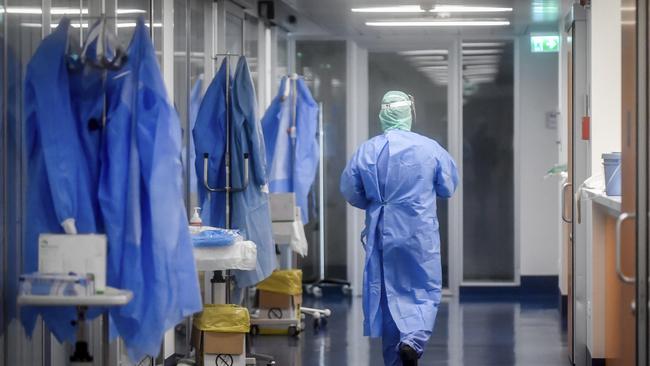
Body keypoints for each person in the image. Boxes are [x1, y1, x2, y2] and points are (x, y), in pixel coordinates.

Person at [340, 91, 458, 366]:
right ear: (409, 114)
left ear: (382, 114)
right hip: (419, 234)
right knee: (424, 289)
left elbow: (350, 190)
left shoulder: (367, 150)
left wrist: (378, 202)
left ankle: (395, 358)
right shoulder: (430, 148)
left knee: (388, 293)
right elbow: (448, 186)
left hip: (382, 232)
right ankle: (413, 341)